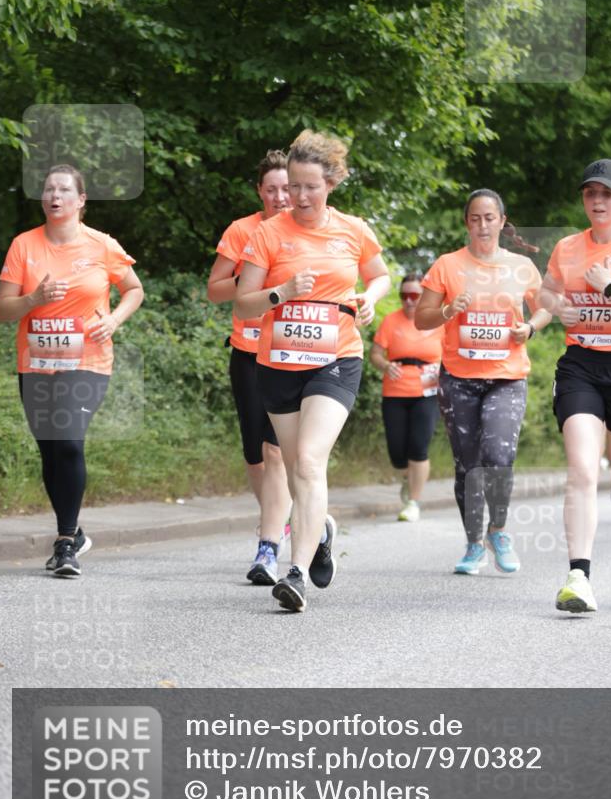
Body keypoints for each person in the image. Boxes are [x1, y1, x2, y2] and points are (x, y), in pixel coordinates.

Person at [235, 130, 390, 612]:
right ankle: (319, 528)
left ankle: (295, 573)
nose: (299, 197)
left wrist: (371, 298)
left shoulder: (353, 229)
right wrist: (282, 292)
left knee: (307, 461)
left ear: (331, 183)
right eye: (294, 186)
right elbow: (243, 306)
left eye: (310, 187)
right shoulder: (268, 233)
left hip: (337, 358)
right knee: (297, 467)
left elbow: (380, 274)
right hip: (278, 363)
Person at [0, 164, 143, 577]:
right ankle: (73, 531)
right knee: (51, 448)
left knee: (69, 440)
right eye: (48, 189)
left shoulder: (102, 245)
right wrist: (34, 299)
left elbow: (134, 289)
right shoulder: (24, 246)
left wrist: (113, 320)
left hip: (88, 361)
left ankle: (64, 544)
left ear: (80, 201)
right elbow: (1, 311)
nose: (54, 195)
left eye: (63, 190)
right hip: (37, 362)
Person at [539, 159, 611, 613]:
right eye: (590, 193)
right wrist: (558, 308)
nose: (597, 201)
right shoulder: (569, 247)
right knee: (583, 470)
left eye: (607, 194)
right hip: (582, 367)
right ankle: (578, 576)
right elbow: (547, 294)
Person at [415, 189, 551, 575]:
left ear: (502, 222)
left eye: (490, 218)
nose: (482, 225)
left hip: (506, 377)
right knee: (468, 465)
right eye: (475, 218)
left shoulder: (522, 265)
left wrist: (529, 327)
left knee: (499, 455)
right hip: (458, 379)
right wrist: (446, 310)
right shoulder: (446, 265)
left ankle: (499, 530)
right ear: (466, 223)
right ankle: (474, 543)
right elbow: (421, 319)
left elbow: (545, 310)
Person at [207, 150, 292, 585]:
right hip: (247, 349)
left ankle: (268, 544)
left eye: (286, 188)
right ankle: (280, 520)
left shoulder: (307, 231)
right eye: (271, 189)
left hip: (291, 354)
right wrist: (252, 280)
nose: (280, 196)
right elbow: (214, 290)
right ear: (260, 191)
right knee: (254, 454)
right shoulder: (243, 230)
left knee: (276, 451)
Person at [370, 273, 443, 522]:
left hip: (427, 392)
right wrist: (385, 365)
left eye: (414, 296)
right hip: (395, 391)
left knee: (419, 447)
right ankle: (406, 477)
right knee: (397, 452)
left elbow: (452, 352)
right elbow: (376, 354)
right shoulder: (391, 321)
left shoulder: (437, 321)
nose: (409, 301)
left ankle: (413, 501)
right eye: (404, 296)